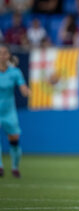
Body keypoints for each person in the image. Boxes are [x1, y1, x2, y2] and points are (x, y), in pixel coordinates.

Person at [0, 44, 30, 178]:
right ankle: (0, 167)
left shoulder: (15, 72)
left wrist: (27, 91)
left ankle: (15, 167)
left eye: (5, 53)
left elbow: (23, 88)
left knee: (14, 139)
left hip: (9, 111)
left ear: (8, 55)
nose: (2, 56)